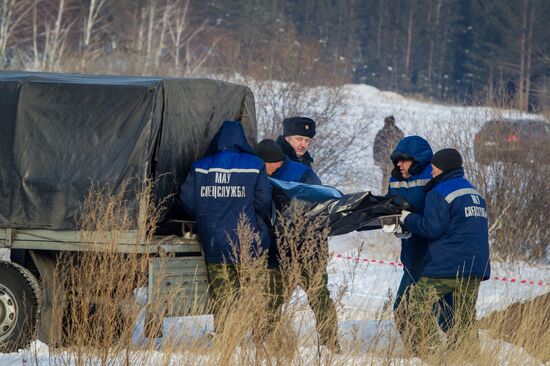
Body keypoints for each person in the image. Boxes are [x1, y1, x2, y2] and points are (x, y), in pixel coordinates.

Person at [179, 120, 272, 332]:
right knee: (256, 296)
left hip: (214, 243)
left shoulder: (200, 166)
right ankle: (263, 341)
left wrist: (205, 218)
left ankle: (225, 341)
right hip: (249, 244)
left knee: (223, 298)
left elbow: (187, 201)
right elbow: (263, 202)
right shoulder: (255, 165)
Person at [399, 148, 490, 356]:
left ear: (443, 168)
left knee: (417, 302)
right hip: (476, 267)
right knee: (465, 315)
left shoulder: (439, 192)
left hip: (448, 264)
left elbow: (432, 229)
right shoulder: (475, 193)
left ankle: (430, 352)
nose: (431, 172)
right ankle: (469, 356)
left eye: (434, 168)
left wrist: (407, 218)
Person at [256, 138, 340, 353]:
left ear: (273, 162)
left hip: (309, 248)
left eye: (262, 165)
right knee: (271, 299)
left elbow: (321, 205)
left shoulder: (302, 174)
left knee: (318, 296)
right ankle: (265, 343)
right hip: (278, 250)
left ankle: (332, 345)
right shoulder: (261, 172)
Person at [385, 136, 454, 335]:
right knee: (405, 309)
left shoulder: (433, 176)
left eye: (404, 160)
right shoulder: (394, 180)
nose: (399, 164)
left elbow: (440, 216)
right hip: (411, 254)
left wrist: (411, 217)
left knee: (442, 311)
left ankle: (453, 351)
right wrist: (391, 220)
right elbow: (392, 208)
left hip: (436, 254)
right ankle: (422, 353)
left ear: (418, 160)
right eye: (396, 160)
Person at [256, 139, 321, 185]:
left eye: (263, 164)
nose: (260, 167)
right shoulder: (258, 175)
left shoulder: (302, 173)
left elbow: (319, 194)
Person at [373, 116, 404, 194]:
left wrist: (377, 159)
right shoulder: (399, 132)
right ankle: (389, 194)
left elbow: (376, 147)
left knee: (386, 177)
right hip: (394, 160)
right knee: (395, 178)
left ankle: (385, 194)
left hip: (385, 159)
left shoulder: (381, 132)